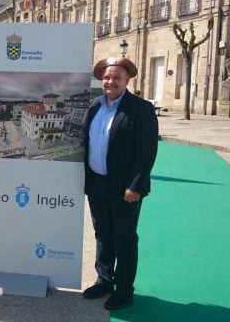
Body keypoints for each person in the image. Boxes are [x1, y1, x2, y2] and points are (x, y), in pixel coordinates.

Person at [82, 57, 158, 310]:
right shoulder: (93, 106)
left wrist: (136, 185)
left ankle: (124, 289)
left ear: (127, 80)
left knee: (124, 237)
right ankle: (104, 280)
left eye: (116, 77)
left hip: (125, 188)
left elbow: (147, 151)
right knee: (103, 234)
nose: (110, 81)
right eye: (106, 77)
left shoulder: (141, 108)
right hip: (97, 183)